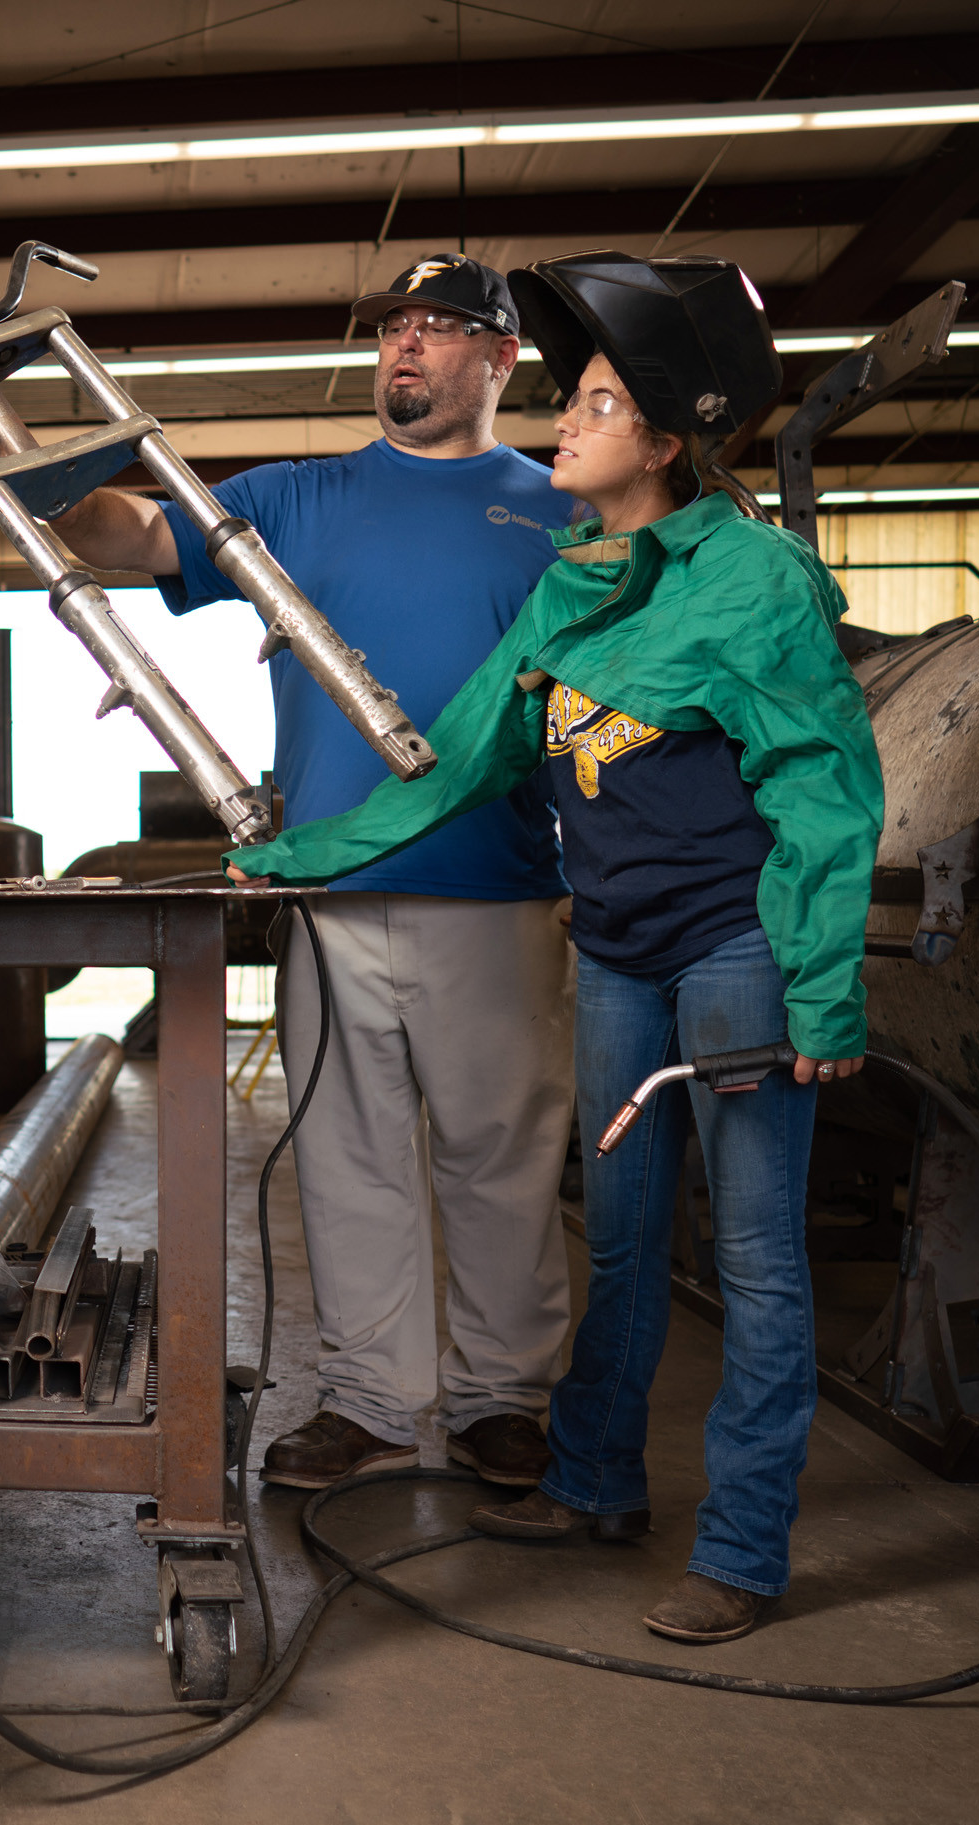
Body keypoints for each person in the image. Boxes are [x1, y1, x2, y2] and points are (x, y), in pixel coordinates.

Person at [226, 251, 884, 1645]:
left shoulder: (755, 581)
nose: (566, 427)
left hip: (734, 949)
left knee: (756, 1262)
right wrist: (292, 854)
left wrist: (822, 994)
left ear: (658, 440)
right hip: (624, 954)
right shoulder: (579, 581)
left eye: (592, 404)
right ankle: (593, 1482)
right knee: (630, 1239)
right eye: (570, 397)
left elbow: (829, 788)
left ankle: (745, 1549)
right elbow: (461, 759)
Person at [53, 252, 575, 1496]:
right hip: (330, 899)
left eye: (441, 328)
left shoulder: (561, 508)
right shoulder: (296, 496)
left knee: (501, 1159)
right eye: (395, 327)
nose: (407, 346)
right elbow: (130, 535)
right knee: (349, 1157)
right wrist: (38, 471)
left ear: (501, 358)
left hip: (498, 886)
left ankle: (507, 1398)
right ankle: (373, 1403)